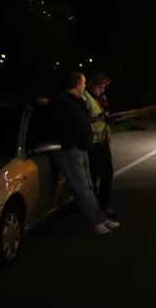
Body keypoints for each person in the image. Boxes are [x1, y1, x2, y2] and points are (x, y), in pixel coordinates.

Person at [50, 70, 120, 235]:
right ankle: (94, 222)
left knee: (88, 186)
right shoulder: (61, 101)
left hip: (83, 148)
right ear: (76, 84)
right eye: (83, 83)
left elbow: (83, 121)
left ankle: (100, 217)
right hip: (72, 150)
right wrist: (70, 143)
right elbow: (61, 127)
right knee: (82, 188)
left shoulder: (76, 100)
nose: (84, 86)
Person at [85, 71, 116, 218]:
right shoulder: (85, 98)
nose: (103, 89)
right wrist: (97, 117)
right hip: (91, 144)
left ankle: (104, 206)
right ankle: (93, 208)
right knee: (92, 176)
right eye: (100, 86)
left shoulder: (101, 97)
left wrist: (109, 117)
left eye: (104, 87)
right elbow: (82, 120)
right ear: (92, 85)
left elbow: (106, 113)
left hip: (103, 142)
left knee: (107, 173)